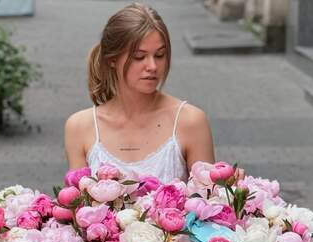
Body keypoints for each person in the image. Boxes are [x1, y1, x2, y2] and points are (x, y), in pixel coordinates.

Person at [64, 3, 222, 183]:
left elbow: (209, 202)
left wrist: (230, 187)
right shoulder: (80, 127)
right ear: (112, 59)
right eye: (139, 57)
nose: (152, 66)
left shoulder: (191, 121)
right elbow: (75, 206)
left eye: (160, 55)